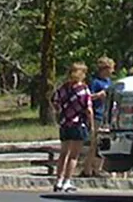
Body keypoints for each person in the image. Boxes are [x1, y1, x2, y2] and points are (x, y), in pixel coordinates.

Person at [52, 62, 94, 193]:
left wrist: (60, 113)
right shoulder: (84, 90)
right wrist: (91, 125)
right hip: (78, 123)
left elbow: (55, 101)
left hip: (65, 123)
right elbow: (88, 109)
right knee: (74, 156)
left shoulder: (63, 88)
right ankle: (67, 181)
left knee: (63, 153)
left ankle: (58, 180)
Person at [81, 56, 115, 177]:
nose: (112, 71)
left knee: (102, 143)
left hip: (107, 115)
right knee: (93, 142)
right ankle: (87, 169)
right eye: (110, 69)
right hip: (96, 114)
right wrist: (99, 95)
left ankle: (97, 168)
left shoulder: (109, 82)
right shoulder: (95, 82)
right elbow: (87, 97)